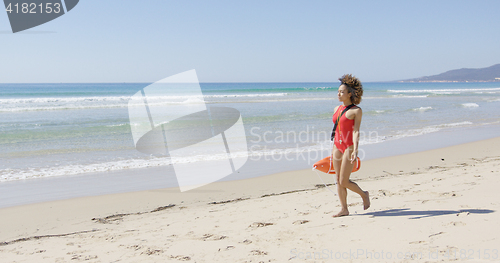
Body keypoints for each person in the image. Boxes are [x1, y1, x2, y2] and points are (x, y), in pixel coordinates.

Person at [331, 74, 370, 217]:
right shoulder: (336, 108)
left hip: (348, 146)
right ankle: (344, 209)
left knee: (344, 180)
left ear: (349, 94)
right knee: (337, 180)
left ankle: (364, 194)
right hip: (336, 146)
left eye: (342, 92)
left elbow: (356, 131)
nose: (339, 94)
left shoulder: (356, 111)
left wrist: (356, 149)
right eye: (338, 92)